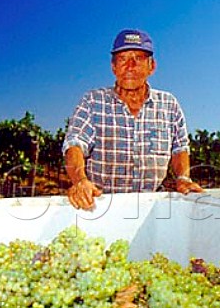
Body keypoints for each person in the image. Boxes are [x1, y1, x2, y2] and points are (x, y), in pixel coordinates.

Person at [62, 28, 203, 210]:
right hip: (101, 205)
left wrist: (183, 179)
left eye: (138, 58)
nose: (130, 66)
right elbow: (74, 144)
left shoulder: (169, 104)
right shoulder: (93, 101)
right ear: (113, 67)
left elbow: (179, 148)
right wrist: (80, 181)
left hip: (152, 208)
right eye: (122, 59)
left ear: (152, 66)